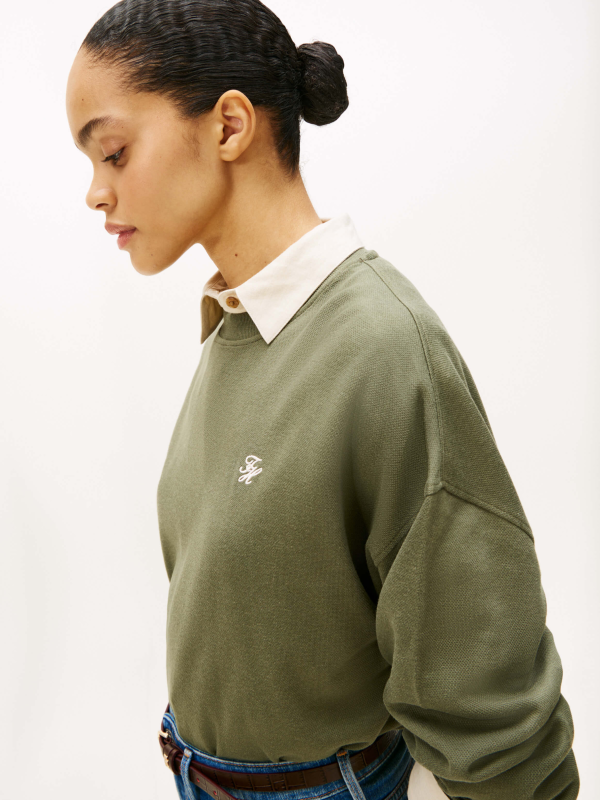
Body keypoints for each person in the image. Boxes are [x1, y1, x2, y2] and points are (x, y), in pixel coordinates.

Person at [65, 1, 580, 799]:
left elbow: (488, 690)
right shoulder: (237, 326)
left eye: (113, 152)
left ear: (229, 126)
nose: (96, 194)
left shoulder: (385, 348)